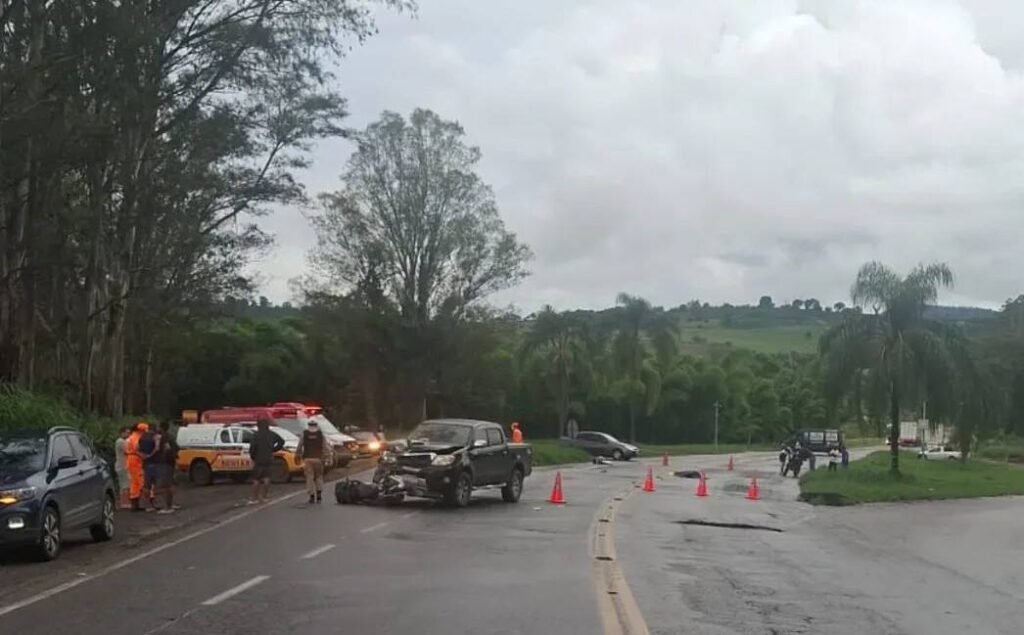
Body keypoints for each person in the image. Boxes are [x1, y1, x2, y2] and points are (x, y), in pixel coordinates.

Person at [248, 417, 284, 505]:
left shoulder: (256, 435)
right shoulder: (271, 434)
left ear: (258, 425)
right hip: (268, 458)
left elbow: (252, 448)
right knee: (267, 478)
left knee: (256, 479)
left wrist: (252, 457)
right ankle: (264, 497)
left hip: (258, 458)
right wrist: (274, 449)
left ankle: (254, 498)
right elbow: (281, 441)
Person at [296, 418, 327, 504]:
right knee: (319, 477)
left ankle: (312, 496)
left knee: (309, 477)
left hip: (307, 459)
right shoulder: (320, 434)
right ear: (316, 425)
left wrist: (298, 454)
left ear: (308, 425)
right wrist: (326, 456)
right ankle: (319, 495)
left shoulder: (305, 434)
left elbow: (300, 445)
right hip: (318, 459)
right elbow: (325, 447)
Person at [155, 421, 180, 514]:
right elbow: (177, 447)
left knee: (165, 486)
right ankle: (171, 504)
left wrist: (163, 457)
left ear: (161, 428)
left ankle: (167, 507)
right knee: (170, 484)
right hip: (171, 462)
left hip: (165, 463)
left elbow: (166, 448)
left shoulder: (164, 437)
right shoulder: (171, 436)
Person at [138, 422, 160, 510]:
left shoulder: (142, 437)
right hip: (155, 462)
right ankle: (155, 502)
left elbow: (137, 449)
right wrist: (150, 455)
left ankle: (146, 504)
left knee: (147, 484)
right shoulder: (156, 437)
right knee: (156, 483)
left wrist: (143, 456)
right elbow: (157, 448)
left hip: (146, 463)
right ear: (155, 428)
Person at [124, 423, 147, 511]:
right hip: (135, 460)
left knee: (135, 482)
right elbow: (136, 448)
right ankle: (136, 504)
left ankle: (135, 504)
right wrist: (144, 456)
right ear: (140, 430)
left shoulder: (132, 437)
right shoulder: (135, 437)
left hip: (132, 459)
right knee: (138, 481)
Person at [114, 426, 131, 509]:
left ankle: (124, 502)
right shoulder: (120, 441)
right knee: (125, 485)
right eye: (127, 432)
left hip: (124, 465)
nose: (128, 434)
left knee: (124, 485)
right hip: (122, 466)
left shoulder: (123, 441)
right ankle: (124, 502)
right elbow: (128, 451)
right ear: (122, 433)